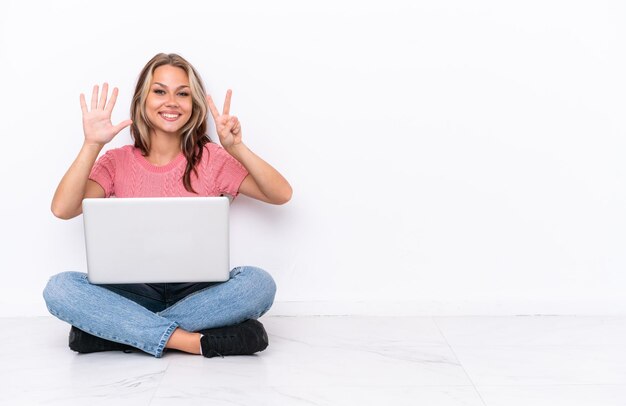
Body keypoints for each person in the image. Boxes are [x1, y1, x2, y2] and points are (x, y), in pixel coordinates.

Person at [43, 53, 292, 358]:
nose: (171, 101)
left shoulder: (212, 158)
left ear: (194, 103)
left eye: (183, 93)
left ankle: (117, 334)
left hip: (198, 291)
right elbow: (63, 208)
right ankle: (189, 341)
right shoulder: (116, 161)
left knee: (258, 284)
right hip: (135, 291)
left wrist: (236, 147)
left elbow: (281, 194)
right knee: (60, 288)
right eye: (160, 91)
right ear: (142, 100)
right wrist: (92, 144)